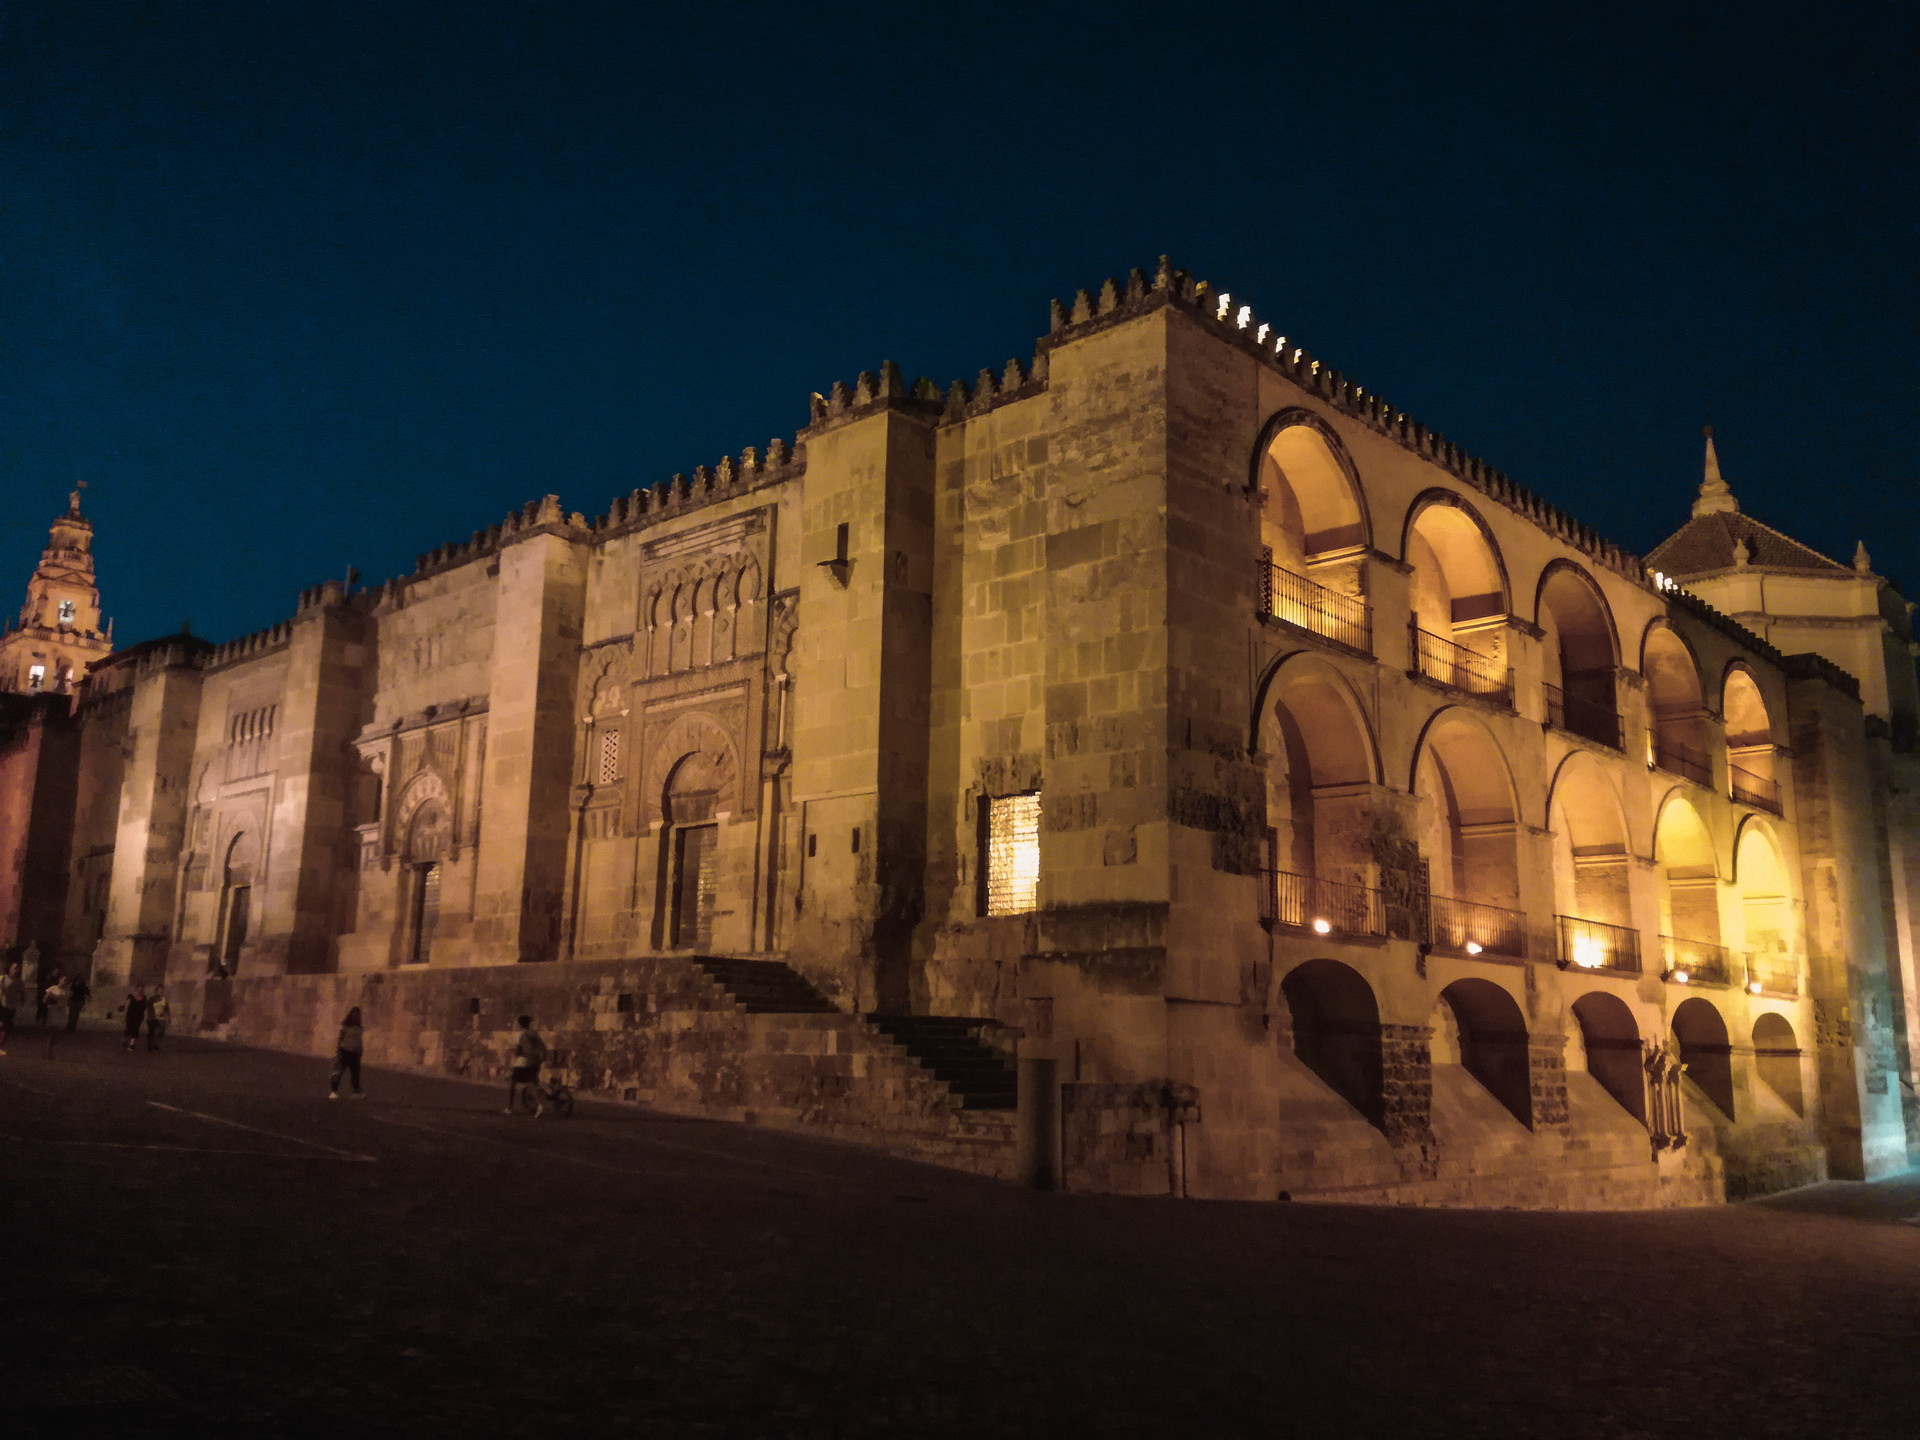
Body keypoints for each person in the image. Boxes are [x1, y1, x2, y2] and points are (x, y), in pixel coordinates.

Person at [505, 1014, 547, 1113]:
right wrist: (541, 1058)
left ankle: (510, 1107)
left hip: (524, 1062)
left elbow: (518, 1051)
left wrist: (512, 1051)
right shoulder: (535, 1033)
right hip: (536, 1061)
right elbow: (543, 1046)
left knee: (513, 1082)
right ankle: (539, 1102)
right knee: (533, 1082)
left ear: (520, 1024)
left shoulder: (522, 1035)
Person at [328, 1006, 365, 1099]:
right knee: (339, 1071)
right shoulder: (346, 1026)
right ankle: (334, 1091)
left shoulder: (359, 1028)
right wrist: (338, 1050)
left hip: (355, 1053)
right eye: (355, 1014)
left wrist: (360, 1050)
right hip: (345, 1051)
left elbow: (359, 1040)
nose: (357, 1016)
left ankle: (356, 1092)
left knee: (355, 1073)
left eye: (358, 1015)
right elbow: (341, 1038)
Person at [0, 962, 24, 1054]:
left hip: (11, 1007)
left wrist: (22, 1002)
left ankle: (1, 1046)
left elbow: (22, 993)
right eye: (15, 968)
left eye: (18, 968)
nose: (16, 970)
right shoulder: (3, 979)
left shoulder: (20, 981)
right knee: (2, 1025)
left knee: (7, 1028)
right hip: (2, 1006)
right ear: (10, 969)